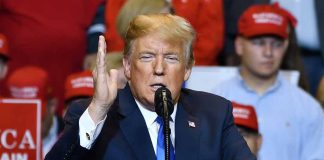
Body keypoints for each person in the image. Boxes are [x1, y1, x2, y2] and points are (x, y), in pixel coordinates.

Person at [45, 13, 255, 159]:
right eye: (147, 57)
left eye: (171, 58)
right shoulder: (93, 115)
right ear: (127, 66)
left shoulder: (214, 113)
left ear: (188, 68)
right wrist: (99, 109)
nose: (159, 68)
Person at [213, 4, 324, 160]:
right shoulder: (215, 100)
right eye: (259, 42)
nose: (268, 52)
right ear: (239, 45)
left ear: (285, 46)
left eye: (276, 44)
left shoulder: (308, 109)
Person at [105, 0, 224, 65]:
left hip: (197, 72)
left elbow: (210, 42)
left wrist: (178, 63)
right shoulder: (110, 73)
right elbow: (116, 32)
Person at [6, 66, 64, 158]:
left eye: (33, 117)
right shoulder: (3, 141)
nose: (25, 124)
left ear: (52, 105)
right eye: (18, 115)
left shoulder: (73, 138)